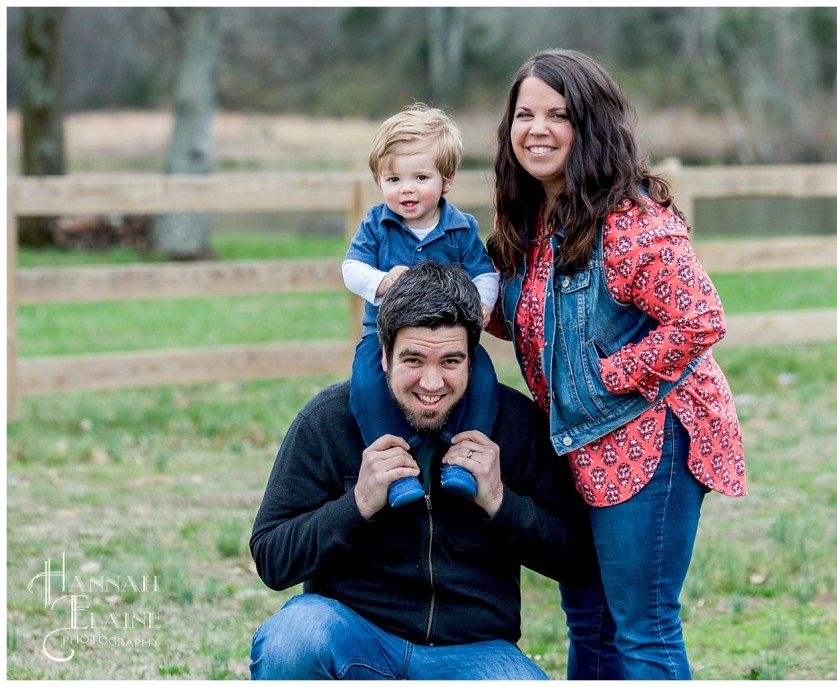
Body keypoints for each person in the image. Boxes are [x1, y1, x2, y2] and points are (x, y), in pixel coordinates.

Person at [486, 49, 748, 680]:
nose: (538, 129)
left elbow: (700, 319)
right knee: (591, 625)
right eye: (525, 114)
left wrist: (604, 376)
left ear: (591, 124)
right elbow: (521, 318)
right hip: (574, 447)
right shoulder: (527, 219)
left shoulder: (632, 224)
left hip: (648, 442)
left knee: (642, 627)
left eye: (558, 114)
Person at [249, 260, 595, 680]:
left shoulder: (516, 424)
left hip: (475, 651)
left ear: (472, 359)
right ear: (384, 356)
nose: (431, 384)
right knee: (294, 636)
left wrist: (501, 502)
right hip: (357, 635)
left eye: (450, 361)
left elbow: (577, 558)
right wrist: (358, 504)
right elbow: (271, 557)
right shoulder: (327, 421)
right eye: (413, 360)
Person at [342, 103, 500, 505]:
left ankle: (463, 461)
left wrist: (482, 304)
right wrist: (381, 282)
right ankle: (395, 470)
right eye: (393, 178)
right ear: (379, 180)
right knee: (365, 383)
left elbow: (485, 273)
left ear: (446, 180)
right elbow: (350, 268)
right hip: (384, 339)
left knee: (482, 378)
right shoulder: (378, 224)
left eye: (420, 177)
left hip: (449, 342)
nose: (406, 189)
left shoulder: (460, 227)